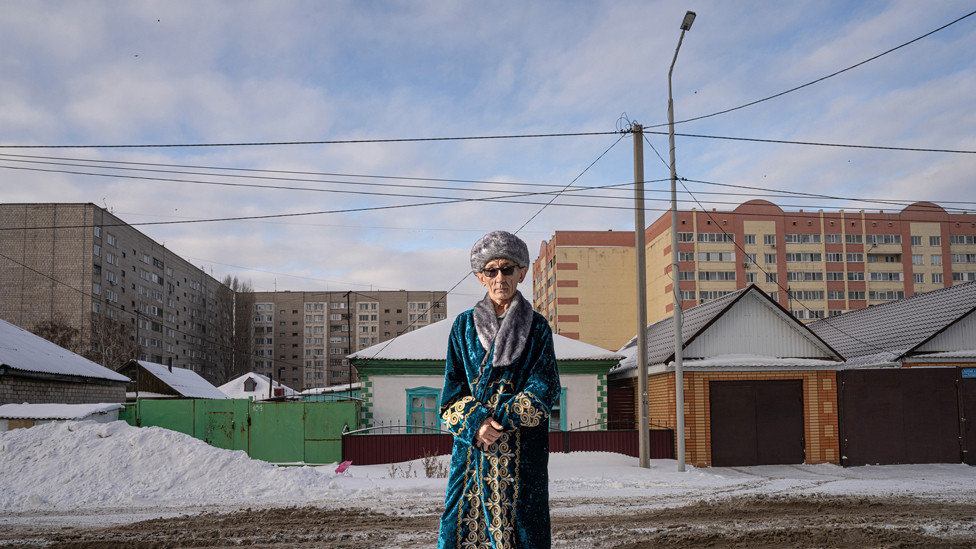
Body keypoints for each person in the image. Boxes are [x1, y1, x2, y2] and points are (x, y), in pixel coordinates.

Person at [437, 230, 561, 549]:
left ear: (521, 272)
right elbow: (452, 394)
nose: (499, 277)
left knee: (524, 528)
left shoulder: (537, 328)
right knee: (460, 528)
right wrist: (477, 422)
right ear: (481, 277)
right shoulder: (463, 327)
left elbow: (545, 386)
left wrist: (502, 418)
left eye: (507, 268)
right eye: (491, 270)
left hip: (521, 452)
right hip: (474, 451)